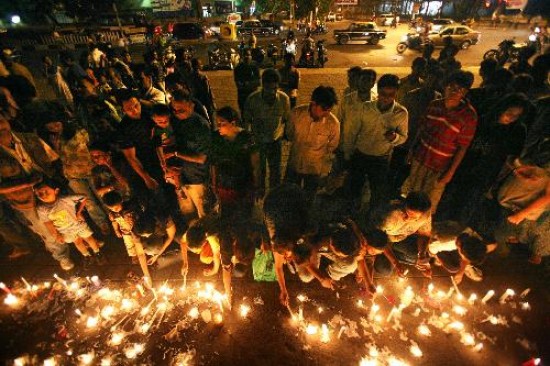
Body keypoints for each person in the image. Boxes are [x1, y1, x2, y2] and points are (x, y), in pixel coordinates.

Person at [0, 116, 73, 270]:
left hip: (50, 187)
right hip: (25, 199)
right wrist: (26, 183)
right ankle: (62, 257)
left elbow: (53, 159)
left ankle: (81, 245)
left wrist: (58, 179)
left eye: (0, 120)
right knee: (45, 229)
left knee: (64, 218)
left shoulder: (29, 138)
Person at [402, 70, 477, 214]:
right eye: (451, 87)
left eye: (460, 89)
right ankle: (406, 225)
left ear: (465, 93)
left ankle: (421, 230)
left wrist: (450, 172)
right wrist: (412, 150)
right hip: (421, 158)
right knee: (412, 194)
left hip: (440, 166)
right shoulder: (434, 105)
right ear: (445, 87)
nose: (454, 91)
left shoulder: (469, 116)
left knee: (428, 202)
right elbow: (422, 129)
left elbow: (463, 147)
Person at [345, 74, 408, 212]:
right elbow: (353, 132)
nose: (386, 98)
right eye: (383, 93)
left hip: (381, 159)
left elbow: (403, 137)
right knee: (354, 188)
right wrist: (347, 152)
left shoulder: (401, 113)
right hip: (360, 154)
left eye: (391, 94)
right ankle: (351, 215)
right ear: (378, 91)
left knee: (377, 192)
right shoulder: (366, 107)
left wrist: (394, 137)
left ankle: (372, 219)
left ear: (396, 93)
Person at [37, 115, 110, 234]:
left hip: (89, 168)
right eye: (50, 127)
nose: (54, 127)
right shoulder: (53, 139)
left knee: (100, 193)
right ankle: (101, 222)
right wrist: (55, 146)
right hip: (71, 174)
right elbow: (56, 157)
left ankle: (112, 215)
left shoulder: (77, 132)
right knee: (88, 200)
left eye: (55, 123)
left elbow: (90, 145)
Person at [285, 85, 340, 198]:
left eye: (329, 110)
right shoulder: (296, 114)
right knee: (289, 197)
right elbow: (289, 134)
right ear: (313, 103)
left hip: (314, 170)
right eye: (324, 109)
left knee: (309, 198)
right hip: (294, 164)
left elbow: (332, 147)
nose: (327, 113)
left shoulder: (333, 123)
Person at [243, 69, 291, 192]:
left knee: (276, 172)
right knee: (260, 170)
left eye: (274, 89)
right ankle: (260, 194)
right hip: (258, 141)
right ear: (262, 85)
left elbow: (286, 119)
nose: (272, 93)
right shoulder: (252, 100)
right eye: (269, 89)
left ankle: (274, 196)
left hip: (276, 141)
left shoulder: (284, 99)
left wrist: (285, 134)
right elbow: (247, 120)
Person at [35, 178, 104, 263]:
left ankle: (97, 253)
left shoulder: (66, 199)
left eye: (46, 191)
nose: (43, 195)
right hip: (64, 231)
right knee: (77, 243)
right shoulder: (42, 209)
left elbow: (83, 197)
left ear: (56, 191)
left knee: (88, 238)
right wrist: (56, 235)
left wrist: (78, 212)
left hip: (78, 224)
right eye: (39, 194)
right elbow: (48, 223)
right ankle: (87, 256)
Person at [211, 106, 260, 221]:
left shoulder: (247, 138)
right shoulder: (216, 138)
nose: (218, 127)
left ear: (232, 123)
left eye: (222, 123)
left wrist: (257, 185)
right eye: (217, 123)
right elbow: (214, 163)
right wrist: (214, 184)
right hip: (225, 185)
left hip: (243, 185)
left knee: (244, 214)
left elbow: (256, 165)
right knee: (227, 214)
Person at [169, 89, 213, 219]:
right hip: (181, 177)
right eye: (174, 110)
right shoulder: (175, 121)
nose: (177, 114)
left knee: (203, 214)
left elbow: (201, 158)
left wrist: (175, 154)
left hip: (197, 178)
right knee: (187, 213)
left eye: (181, 110)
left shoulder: (200, 126)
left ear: (191, 106)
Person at [373, 191, 432, 277]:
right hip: (385, 242)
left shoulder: (425, 216)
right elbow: (379, 241)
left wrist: (422, 254)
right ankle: (387, 256)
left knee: (420, 256)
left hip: (402, 239)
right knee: (384, 270)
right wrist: (396, 263)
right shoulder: (389, 217)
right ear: (404, 204)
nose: (406, 219)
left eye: (413, 217)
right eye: (406, 213)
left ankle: (401, 258)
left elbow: (424, 235)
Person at [102, 191, 153, 287]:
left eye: (116, 207)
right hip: (125, 232)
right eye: (111, 208)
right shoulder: (112, 214)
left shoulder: (131, 208)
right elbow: (114, 222)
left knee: (141, 245)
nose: (115, 209)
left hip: (136, 230)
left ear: (121, 201)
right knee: (129, 246)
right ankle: (134, 257)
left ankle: (145, 257)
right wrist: (116, 230)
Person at [117, 90, 163, 192]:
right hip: (146, 161)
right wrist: (146, 178)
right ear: (123, 110)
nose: (135, 110)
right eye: (129, 109)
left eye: (136, 105)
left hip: (162, 151)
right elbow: (131, 157)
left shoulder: (150, 113)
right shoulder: (123, 129)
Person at [234, 49, 260, 117]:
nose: (247, 57)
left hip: (253, 95)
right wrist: (250, 84)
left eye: (248, 55)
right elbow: (238, 84)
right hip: (243, 96)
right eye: (245, 55)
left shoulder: (254, 66)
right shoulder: (238, 68)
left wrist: (246, 84)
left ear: (251, 56)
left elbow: (258, 82)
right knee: (244, 114)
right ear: (242, 56)